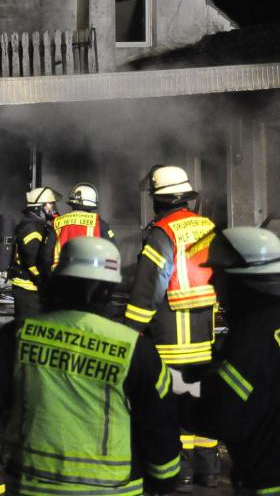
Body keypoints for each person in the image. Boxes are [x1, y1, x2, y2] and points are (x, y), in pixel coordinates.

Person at [0, 237, 181, 495]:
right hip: (112, 489)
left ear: (59, 279)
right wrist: (164, 479)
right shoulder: (134, 349)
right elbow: (159, 425)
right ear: (106, 290)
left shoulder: (16, 335)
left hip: (31, 485)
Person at [124, 165, 220, 487]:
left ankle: (175, 472)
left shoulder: (162, 233)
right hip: (204, 337)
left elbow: (148, 287)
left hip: (170, 339)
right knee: (201, 404)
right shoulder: (206, 226)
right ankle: (208, 471)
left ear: (159, 200)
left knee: (169, 407)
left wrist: (131, 328)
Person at [173, 227, 280, 494]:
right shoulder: (267, 326)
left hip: (268, 480)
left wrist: (179, 404)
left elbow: (226, 417)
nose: (211, 284)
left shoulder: (253, 335)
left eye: (217, 276)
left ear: (241, 281)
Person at [7, 187, 59, 319]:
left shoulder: (38, 224)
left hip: (31, 287)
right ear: (39, 207)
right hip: (27, 287)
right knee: (26, 327)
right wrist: (42, 281)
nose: (53, 208)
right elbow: (30, 261)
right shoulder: (32, 227)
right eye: (50, 204)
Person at [51, 182, 116, 268]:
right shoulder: (99, 223)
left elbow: (46, 254)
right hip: (88, 274)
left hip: (60, 274)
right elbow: (111, 250)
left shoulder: (57, 222)